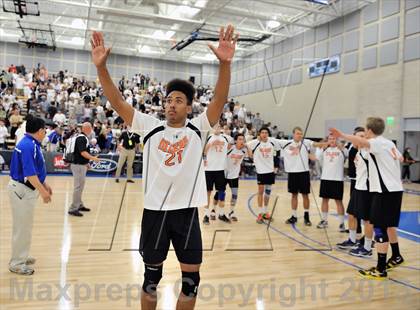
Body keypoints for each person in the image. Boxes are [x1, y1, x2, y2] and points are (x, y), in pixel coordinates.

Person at [91, 24, 237, 309]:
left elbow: (219, 98)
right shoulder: (149, 126)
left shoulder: (199, 128)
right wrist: (101, 68)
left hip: (187, 215)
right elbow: (117, 100)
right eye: (169, 100)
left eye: (178, 101)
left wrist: (224, 64)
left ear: (189, 107)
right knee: (150, 280)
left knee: (192, 284)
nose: (171, 104)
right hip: (155, 214)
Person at [330, 117, 404, 279]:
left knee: (379, 227)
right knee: (389, 225)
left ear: (369, 131)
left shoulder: (377, 143)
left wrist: (342, 134)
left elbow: (360, 141)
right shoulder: (389, 143)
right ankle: (397, 256)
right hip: (395, 189)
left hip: (384, 191)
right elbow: (401, 158)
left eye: (366, 131)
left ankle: (380, 268)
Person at [8, 116, 52, 275]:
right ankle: (17, 263)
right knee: (22, 228)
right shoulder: (28, 146)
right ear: (40, 131)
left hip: (23, 190)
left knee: (24, 227)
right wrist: (43, 192)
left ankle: (22, 255)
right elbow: (30, 174)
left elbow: (36, 170)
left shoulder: (31, 143)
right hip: (21, 190)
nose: (45, 132)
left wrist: (44, 184)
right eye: (44, 130)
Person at [279, 127, 326, 226]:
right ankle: (294, 216)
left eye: (301, 134)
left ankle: (306, 216)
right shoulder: (286, 143)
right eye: (297, 133)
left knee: (305, 195)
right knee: (294, 195)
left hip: (304, 173)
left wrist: (326, 143)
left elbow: (316, 144)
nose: (299, 135)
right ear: (293, 134)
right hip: (292, 172)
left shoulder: (306, 142)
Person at [247, 127, 281, 224]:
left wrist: (276, 166)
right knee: (260, 191)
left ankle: (265, 212)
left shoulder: (272, 142)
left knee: (268, 192)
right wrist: (250, 155)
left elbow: (280, 148)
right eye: (262, 132)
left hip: (270, 171)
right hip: (261, 171)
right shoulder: (255, 142)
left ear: (268, 134)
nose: (264, 134)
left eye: (266, 132)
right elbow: (246, 145)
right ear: (259, 134)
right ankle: (260, 213)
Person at [315, 135, 348, 232]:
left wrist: (342, 146)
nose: (332, 140)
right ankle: (324, 220)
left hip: (337, 180)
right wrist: (322, 148)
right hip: (325, 178)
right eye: (330, 139)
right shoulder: (323, 150)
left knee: (338, 201)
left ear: (336, 140)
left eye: (334, 138)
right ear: (327, 140)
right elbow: (318, 160)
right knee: (325, 200)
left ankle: (342, 223)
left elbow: (348, 154)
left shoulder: (342, 149)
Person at [68, 122, 100, 217]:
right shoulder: (82, 138)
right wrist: (93, 158)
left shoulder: (82, 137)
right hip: (78, 166)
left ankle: (79, 204)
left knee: (80, 187)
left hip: (80, 165)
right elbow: (82, 152)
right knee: (78, 187)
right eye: (90, 128)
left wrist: (86, 163)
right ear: (87, 129)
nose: (91, 130)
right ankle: (73, 208)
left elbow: (80, 153)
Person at [203, 125, 233, 224]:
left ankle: (221, 214)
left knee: (221, 192)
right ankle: (206, 215)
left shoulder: (225, 138)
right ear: (212, 128)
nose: (217, 129)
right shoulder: (209, 137)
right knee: (208, 193)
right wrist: (211, 144)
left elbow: (230, 147)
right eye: (215, 127)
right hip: (209, 169)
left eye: (218, 127)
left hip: (220, 169)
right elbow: (203, 151)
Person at [224, 133, 251, 221]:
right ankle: (214, 210)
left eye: (242, 139)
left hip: (234, 176)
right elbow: (227, 145)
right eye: (239, 139)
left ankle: (231, 212)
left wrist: (247, 146)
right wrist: (232, 142)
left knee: (235, 195)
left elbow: (251, 156)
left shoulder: (244, 150)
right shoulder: (231, 148)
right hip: (224, 174)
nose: (241, 141)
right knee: (220, 193)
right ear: (236, 140)